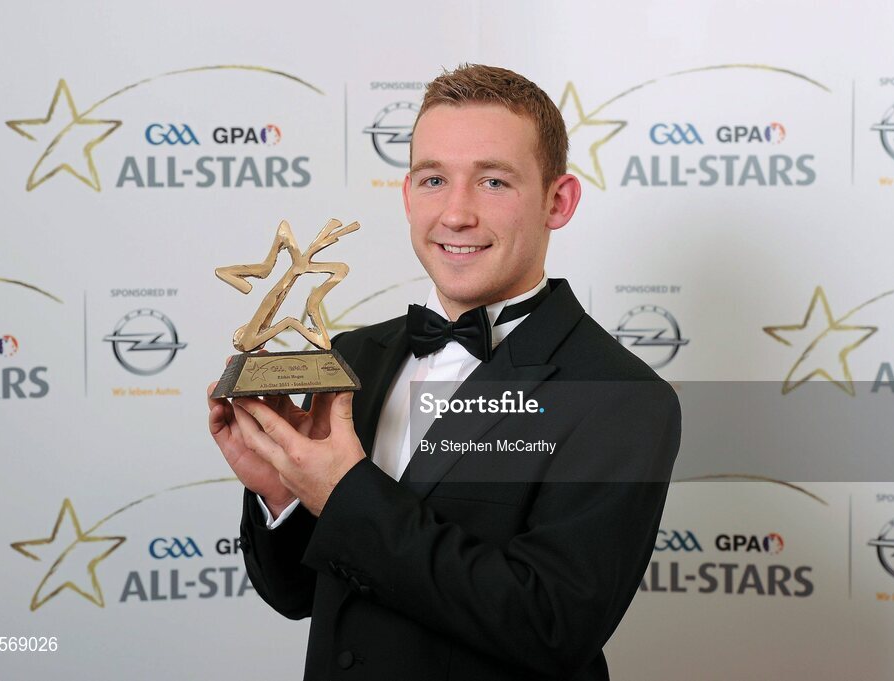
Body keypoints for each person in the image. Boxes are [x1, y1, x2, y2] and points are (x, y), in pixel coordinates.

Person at [207, 64, 680, 681]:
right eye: (434, 179)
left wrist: (343, 493)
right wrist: (283, 494)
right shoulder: (352, 357)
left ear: (557, 201)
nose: (456, 214)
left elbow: (552, 625)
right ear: (407, 196)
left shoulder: (621, 398)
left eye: (493, 182)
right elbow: (298, 597)